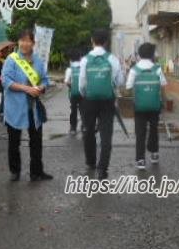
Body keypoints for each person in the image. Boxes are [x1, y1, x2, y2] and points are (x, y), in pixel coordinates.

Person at [2, 29, 52, 181]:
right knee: (14, 141)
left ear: (33, 43)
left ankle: (36, 171)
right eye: (22, 40)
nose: (24, 43)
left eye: (28, 40)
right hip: (15, 107)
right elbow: (6, 81)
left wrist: (41, 87)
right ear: (18, 42)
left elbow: (45, 80)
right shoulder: (11, 59)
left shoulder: (38, 61)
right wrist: (27, 89)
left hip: (33, 108)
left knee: (36, 140)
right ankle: (15, 171)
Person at [80, 28, 124, 179]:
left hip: (89, 100)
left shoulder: (85, 59)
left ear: (92, 40)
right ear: (106, 42)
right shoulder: (112, 59)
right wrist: (111, 87)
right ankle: (102, 169)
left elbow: (82, 84)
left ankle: (91, 162)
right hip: (107, 101)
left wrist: (86, 95)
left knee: (88, 131)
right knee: (106, 134)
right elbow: (120, 81)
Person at [126, 42, 167, 169]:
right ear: (152, 54)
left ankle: (140, 160)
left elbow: (128, 87)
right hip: (155, 105)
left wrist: (136, 97)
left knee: (140, 132)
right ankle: (154, 153)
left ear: (139, 54)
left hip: (139, 106)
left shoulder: (134, 69)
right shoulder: (157, 68)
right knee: (154, 129)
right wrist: (163, 102)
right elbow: (163, 86)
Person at [64, 48, 83, 134]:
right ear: (80, 57)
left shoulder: (69, 69)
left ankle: (73, 128)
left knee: (73, 110)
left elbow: (67, 82)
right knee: (83, 110)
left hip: (73, 93)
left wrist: (72, 86)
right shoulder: (83, 67)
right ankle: (84, 126)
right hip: (84, 93)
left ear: (70, 59)